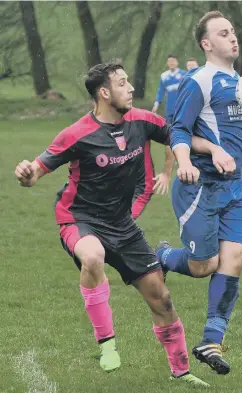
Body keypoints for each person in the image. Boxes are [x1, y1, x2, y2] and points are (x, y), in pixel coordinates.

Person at [14, 60, 209, 387]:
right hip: (79, 218)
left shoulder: (143, 121)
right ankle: (107, 345)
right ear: (104, 93)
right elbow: (36, 171)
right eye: (121, 83)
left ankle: (182, 371)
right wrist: (25, 174)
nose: (130, 87)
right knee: (92, 257)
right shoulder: (77, 134)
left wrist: (213, 152)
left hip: (122, 224)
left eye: (128, 81)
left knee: (162, 299)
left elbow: (178, 135)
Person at [156, 11, 242, 375]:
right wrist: (187, 158)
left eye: (232, 32)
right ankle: (163, 256)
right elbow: (178, 130)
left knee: (235, 260)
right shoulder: (197, 81)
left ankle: (211, 339)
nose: (233, 38)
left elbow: (233, 143)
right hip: (199, 185)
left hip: (234, 188)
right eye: (223, 33)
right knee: (203, 266)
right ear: (206, 43)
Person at [152, 55, 186, 123]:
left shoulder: (184, 74)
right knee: (169, 128)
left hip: (182, 107)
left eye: (173, 61)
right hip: (169, 108)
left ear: (177, 62)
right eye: (169, 61)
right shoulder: (164, 76)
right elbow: (160, 92)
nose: (171, 63)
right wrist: (156, 105)